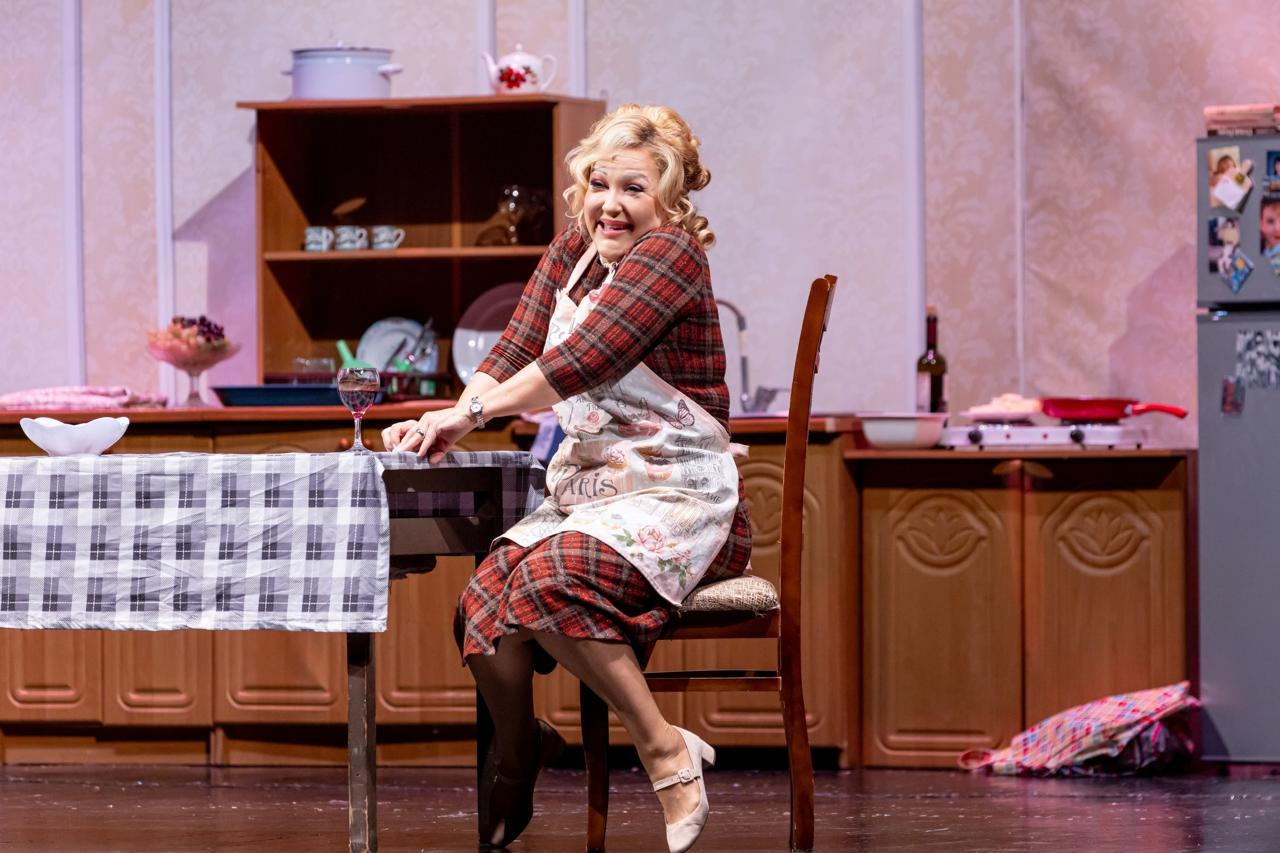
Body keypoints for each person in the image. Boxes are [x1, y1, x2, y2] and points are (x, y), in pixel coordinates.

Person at [382, 104, 751, 853]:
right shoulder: (573, 249)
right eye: (599, 184)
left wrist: (468, 414)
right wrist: (449, 417)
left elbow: (584, 360)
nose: (611, 204)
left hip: (678, 496)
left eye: (634, 188)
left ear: (669, 200)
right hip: (595, 491)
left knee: (549, 582)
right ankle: (523, 750)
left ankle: (663, 749)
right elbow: (517, 346)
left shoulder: (671, 253)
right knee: (483, 602)